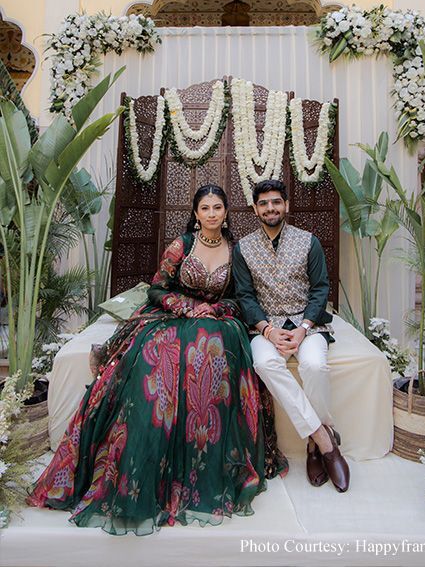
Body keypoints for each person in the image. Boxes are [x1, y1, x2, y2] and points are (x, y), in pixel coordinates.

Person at [29, 185, 267, 534]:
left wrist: (215, 308)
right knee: (157, 356)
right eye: (205, 208)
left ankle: (205, 463)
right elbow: (156, 288)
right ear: (196, 213)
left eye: (218, 207)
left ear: (226, 212)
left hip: (217, 320)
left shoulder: (237, 250)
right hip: (174, 317)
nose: (213, 213)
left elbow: (241, 296)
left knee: (215, 345)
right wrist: (186, 307)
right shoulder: (181, 246)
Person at [233, 179, 350, 493]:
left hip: (307, 325)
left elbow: (320, 289)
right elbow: (244, 296)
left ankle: (314, 446)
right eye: (264, 203)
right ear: (255, 208)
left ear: (286, 205)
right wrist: (268, 330)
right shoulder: (243, 247)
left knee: (313, 366)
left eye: (276, 202)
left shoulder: (308, 241)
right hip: (265, 327)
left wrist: (303, 329)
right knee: (265, 364)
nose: (270, 208)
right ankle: (324, 439)